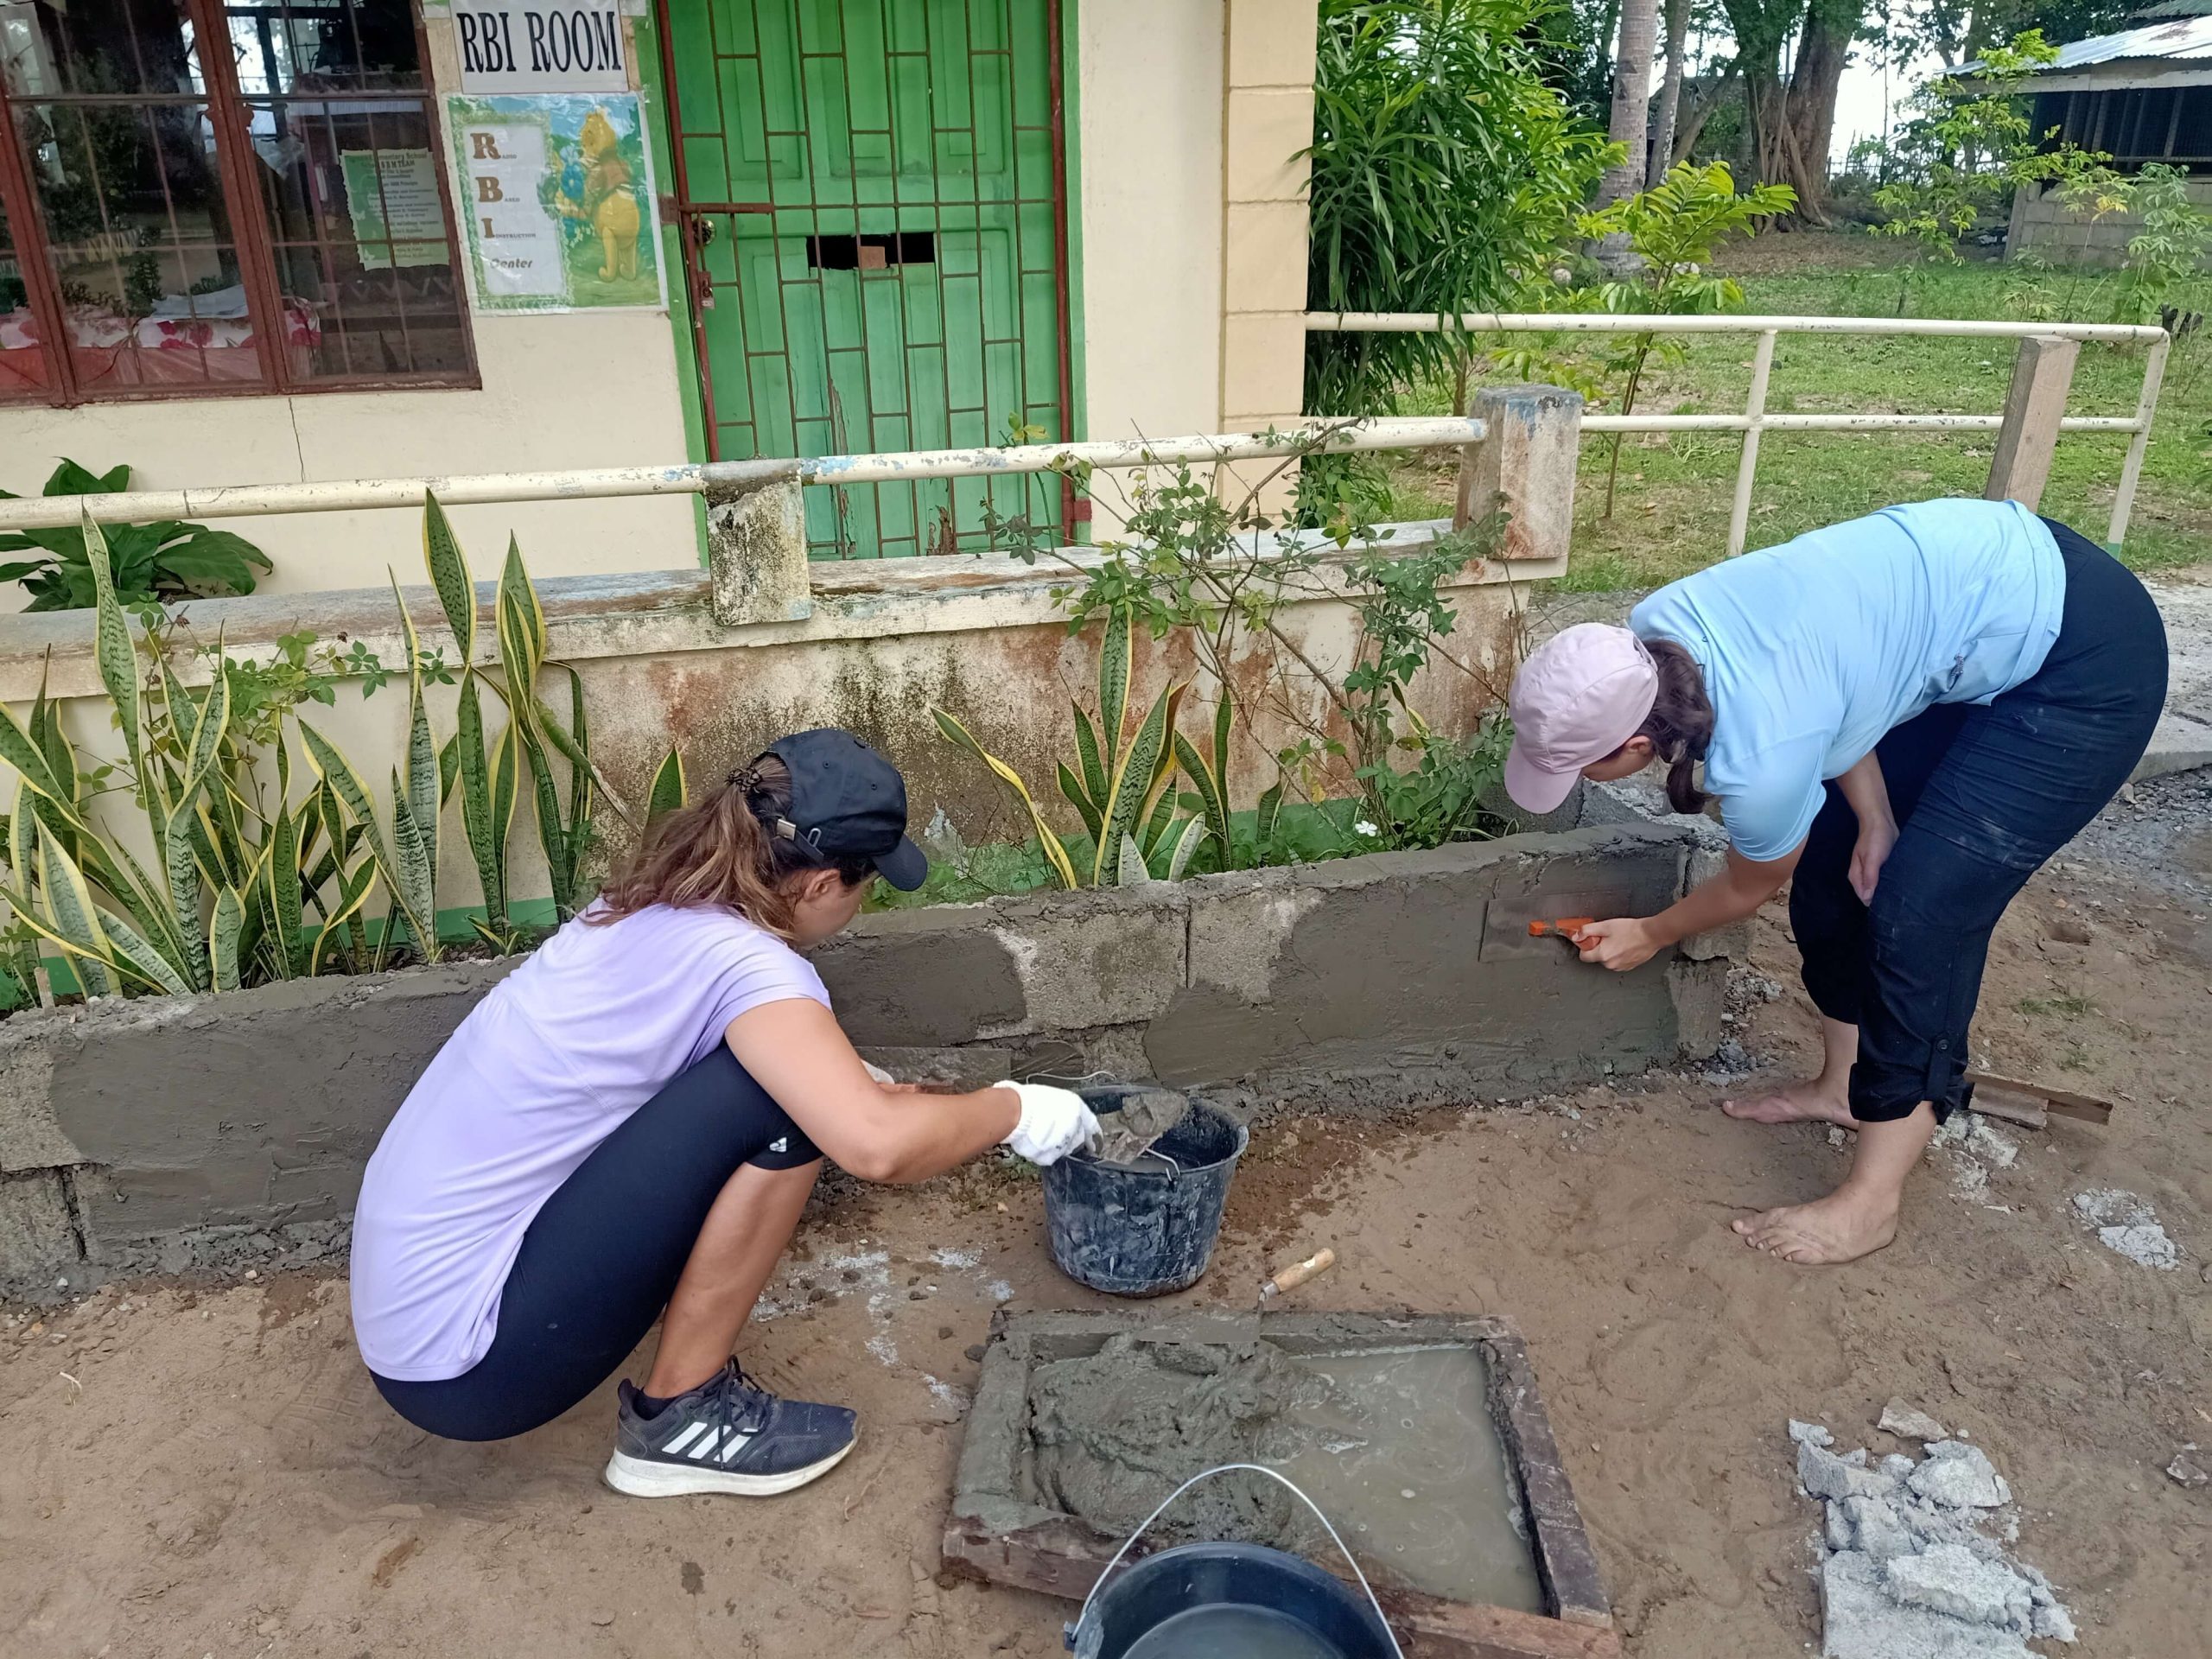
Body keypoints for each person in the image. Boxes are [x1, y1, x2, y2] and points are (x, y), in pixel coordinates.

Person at [349, 728, 1099, 1497]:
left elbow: (709, 1061)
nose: (860, 902)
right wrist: (1017, 1109)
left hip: (407, 1314)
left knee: (783, 1087)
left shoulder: (643, 906)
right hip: (470, 1367)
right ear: (818, 886)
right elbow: (877, 1150)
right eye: (864, 883)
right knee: (785, 1109)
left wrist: (855, 1080)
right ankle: (679, 1418)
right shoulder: (755, 967)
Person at [1503, 499, 2166, 1265]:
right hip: (1981, 596)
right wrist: (1875, 816)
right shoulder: (1660, 628)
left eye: (1582, 764)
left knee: (1921, 916)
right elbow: (1832, 678)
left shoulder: (1758, 761)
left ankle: (1870, 1203)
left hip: (2084, 657)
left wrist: (1652, 932)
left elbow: (1751, 883)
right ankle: (1844, 1088)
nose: (1578, 778)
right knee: (1836, 856)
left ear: (1639, 743)